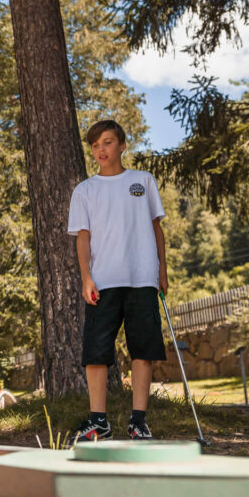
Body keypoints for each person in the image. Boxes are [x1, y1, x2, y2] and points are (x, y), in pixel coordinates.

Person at [66, 119, 167, 444]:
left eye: (107, 143)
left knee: (143, 350)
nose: (101, 150)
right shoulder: (85, 190)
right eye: (95, 145)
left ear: (122, 145)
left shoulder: (143, 181)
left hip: (142, 279)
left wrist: (162, 271)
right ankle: (99, 422)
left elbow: (156, 228)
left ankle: (139, 422)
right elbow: (83, 238)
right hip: (103, 281)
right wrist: (86, 277)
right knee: (95, 352)